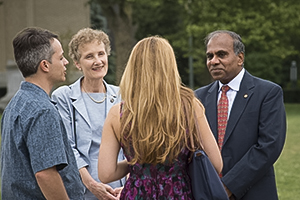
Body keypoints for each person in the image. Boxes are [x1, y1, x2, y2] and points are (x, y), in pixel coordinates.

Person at [97, 36, 223, 199]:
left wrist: (138, 164)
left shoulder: (118, 114)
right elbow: (217, 164)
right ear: (169, 66)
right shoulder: (189, 106)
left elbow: (106, 174)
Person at [194, 30, 286, 200]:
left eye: (221, 54)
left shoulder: (268, 93)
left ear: (240, 58)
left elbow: (268, 146)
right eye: (209, 56)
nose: (213, 61)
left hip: (254, 193)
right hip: (206, 194)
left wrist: (228, 186)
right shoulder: (197, 98)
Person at [0, 27, 84, 199]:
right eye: (60, 57)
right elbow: (45, 174)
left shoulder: (15, 104)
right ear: (45, 65)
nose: (66, 62)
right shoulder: (42, 111)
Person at [51, 27, 125, 200]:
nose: (98, 61)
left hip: (120, 191)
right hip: (83, 191)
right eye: (89, 56)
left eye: (101, 54)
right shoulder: (64, 97)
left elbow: (133, 147)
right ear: (77, 63)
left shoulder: (123, 95)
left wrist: (129, 185)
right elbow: (68, 147)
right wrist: (92, 185)